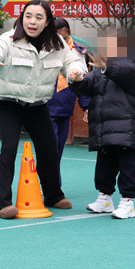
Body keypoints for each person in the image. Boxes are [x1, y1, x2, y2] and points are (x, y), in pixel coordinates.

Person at [0, 0, 85, 219]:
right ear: (22, 19)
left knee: (49, 149)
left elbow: (73, 61)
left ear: (47, 22)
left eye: (38, 17)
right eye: (28, 16)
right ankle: (3, 204)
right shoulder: (8, 39)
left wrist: (75, 72)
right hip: (9, 103)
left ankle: (53, 195)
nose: (32, 22)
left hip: (38, 105)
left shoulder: (57, 43)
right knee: (8, 149)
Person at [69, 28, 135, 219]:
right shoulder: (100, 70)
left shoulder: (129, 64)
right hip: (105, 128)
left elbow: (124, 73)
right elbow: (87, 86)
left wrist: (106, 66)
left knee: (127, 166)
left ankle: (128, 202)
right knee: (104, 165)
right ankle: (105, 198)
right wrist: (77, 80)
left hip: (126, 128)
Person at [48, 17, 90, 161]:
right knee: (50, 144)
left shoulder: (77, 52)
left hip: (65, 105)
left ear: (69, 32)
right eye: (56, 36)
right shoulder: (45, 48)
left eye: (64, 37)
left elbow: (83, 81)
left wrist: (85, 106)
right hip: (46, 103)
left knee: (59, 145)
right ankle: (49, 173)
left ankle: (54, 173)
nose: (60, 40)